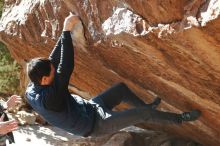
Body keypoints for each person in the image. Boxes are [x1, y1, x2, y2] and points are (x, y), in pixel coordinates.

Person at [25, 13, 201, 137]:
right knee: (141, 115)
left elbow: (53, 61)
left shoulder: (33, 87)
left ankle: (150, 107)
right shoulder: (49, 99)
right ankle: (181, 118)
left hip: (89, 108)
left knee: (120, 89)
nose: (54, 70)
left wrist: (66, 31)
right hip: (96, 125)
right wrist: (65, 31)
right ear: (45, 80)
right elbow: (66, 66)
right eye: (52, 72)